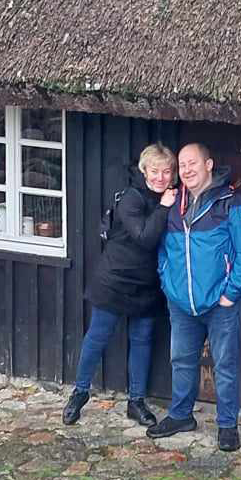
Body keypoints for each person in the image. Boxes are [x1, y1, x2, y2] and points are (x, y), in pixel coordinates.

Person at [148, 141, 241, 451]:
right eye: (182, 165)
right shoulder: (172, 205)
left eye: (192, 163)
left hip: (220, 304)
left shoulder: (232, 203)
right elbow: (163, 250)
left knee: (224, 365)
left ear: (209, 165)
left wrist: (231, 294)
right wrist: (168, 284)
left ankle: (227, 425)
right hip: (181, 304)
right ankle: (181, 415)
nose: (186, 170)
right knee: (182, 360)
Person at [65, 143, 177, 427]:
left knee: (142, 341)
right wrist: (164, 208)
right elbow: (144, 237)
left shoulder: (171, 196)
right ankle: (79, 393)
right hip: (115, 278)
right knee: (98, 337)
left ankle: (136, 401)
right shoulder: (132, 197)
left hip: (147, 282)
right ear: (144, 170)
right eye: (155, 171)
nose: (160, 178)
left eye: (166, 172)